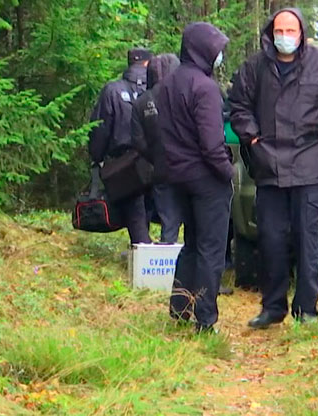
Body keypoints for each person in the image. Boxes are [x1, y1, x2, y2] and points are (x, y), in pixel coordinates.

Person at [228, 8, 318, 328]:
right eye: (279, 30)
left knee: (308, 238)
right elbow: (237, 105)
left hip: (312, 162)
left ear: (302, 33)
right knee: (270, 238)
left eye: (291, 31)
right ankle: (272, 306)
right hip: (269, 164)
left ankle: (307, 307)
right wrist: (251, 138)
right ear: (270, 33)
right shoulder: (255, 67)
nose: (285, 37)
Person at [154, 23, 235, 333]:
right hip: (207, 180)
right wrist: (228, 175)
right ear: (204, 50)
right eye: (217, 50)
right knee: (211, 249)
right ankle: (205, 319)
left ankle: (179, 310)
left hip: (178, 178)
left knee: (190, 245)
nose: (220, 56)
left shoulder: (168, 83)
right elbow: (212, 145)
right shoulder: (205, 88)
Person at [89, 48, 152, 245]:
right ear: (148, 63)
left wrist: (97, 158)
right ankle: (155, 253)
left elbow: (100, 128)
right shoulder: (159, 89)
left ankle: (143, 253)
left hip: (124, 162)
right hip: (156, 158)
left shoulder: (112, 90)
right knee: (153, 206)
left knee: (135, 208)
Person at [132, 53, 183, 244]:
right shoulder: (184, 94)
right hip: (189, 166)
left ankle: (167, 260)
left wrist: (156, 156)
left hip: (161, 169)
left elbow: (137, 140)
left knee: (168, 220)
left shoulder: (141, 102)